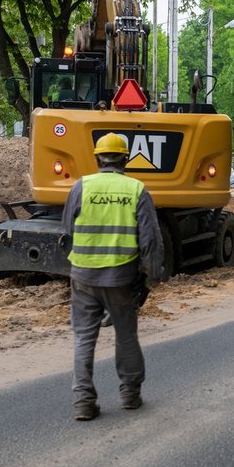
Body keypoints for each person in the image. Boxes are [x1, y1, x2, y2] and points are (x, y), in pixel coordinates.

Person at [61, 133, 164, 421]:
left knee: (83, 337)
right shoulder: (136, 190)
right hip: (121, 277)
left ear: (97, 159)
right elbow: (151, 241)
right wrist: (150, 278)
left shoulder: (81, 187)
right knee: (126, 335)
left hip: (83, 275)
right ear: (126, 160)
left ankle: (83, 401)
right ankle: (130, 395)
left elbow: (67, 229)